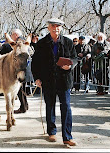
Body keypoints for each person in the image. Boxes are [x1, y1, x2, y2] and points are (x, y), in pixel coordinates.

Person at [31, 18, 77, 146]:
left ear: (61, 28)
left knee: (66, 107)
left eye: (58, 26)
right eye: (53, 26)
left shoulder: (68, 42)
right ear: (48, 27)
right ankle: (52, 132)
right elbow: (35, 63)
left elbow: (75, 58)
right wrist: (37, 78)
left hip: (64, 80)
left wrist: (71, 65)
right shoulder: (41, 43)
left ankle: (67, 137)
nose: (55, 28)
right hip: (48, 80)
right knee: (50, 106)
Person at [0, 29, 30, 114]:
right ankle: (25, 105)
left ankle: (23, 107)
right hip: (24, 68)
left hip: (21, 69)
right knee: (22, 89)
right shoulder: (24, 41)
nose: (12, 36)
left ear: (16, 35)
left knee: (20, 90)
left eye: (12, 34)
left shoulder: (19, 43)